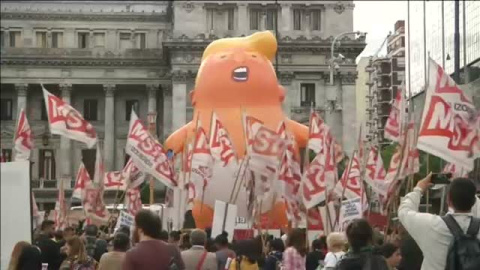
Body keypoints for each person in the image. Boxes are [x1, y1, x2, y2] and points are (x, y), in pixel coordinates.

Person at [398, 175, 480, 270]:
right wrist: (465, 188)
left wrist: (419, 188)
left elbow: (404, 211)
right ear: (474, 201)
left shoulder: (431, 225)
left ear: (448, 200)